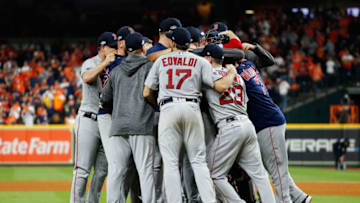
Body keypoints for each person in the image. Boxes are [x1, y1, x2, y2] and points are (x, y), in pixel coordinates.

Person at [143, 27, 235, 203]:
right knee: (198, 161)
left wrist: (160, 105)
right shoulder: (200, 61)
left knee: (170, 163)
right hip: (192, 107)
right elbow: (217, 86)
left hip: (168, 107)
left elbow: (147, 92)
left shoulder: (161, 61)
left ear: (174, 43)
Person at [236, 44, 312, 203]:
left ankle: (285, 200)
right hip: (269, 120)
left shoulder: (236, 72)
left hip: (267, 122)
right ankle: (300, 197)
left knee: (277, 170)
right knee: (275, 168)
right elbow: (268, 60)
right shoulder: (248, 65)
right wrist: (254, 47)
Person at [202, 44, 276, 203]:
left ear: (208, 58)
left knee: (213, 174)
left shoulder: (207, 73)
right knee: (260, 175)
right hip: (246, 123)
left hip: (229, 126)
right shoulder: (237, 76)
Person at [101, 32, 156, 203]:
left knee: (116, 171)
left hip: (118, 127)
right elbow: (154, 92)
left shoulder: (116, 70)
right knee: (146, 171)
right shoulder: (150, 67)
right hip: (142, 125)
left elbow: (104, 99)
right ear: (141, 47)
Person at [97, 26, 142, 203]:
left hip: (125, 116)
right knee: (117, 165)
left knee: (130, 166)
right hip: (109, 115)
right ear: (121, 42)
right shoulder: (116, 62)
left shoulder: (125, 60)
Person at [70, 32, 117, 203]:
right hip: (88, 119)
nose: (115, 49)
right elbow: (87, 78)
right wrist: (105, 63)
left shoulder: (115, 65)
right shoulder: (90, 63)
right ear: (103, 47)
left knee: (102, 172)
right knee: (82, 170)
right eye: (112, 46)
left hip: (107, 122)